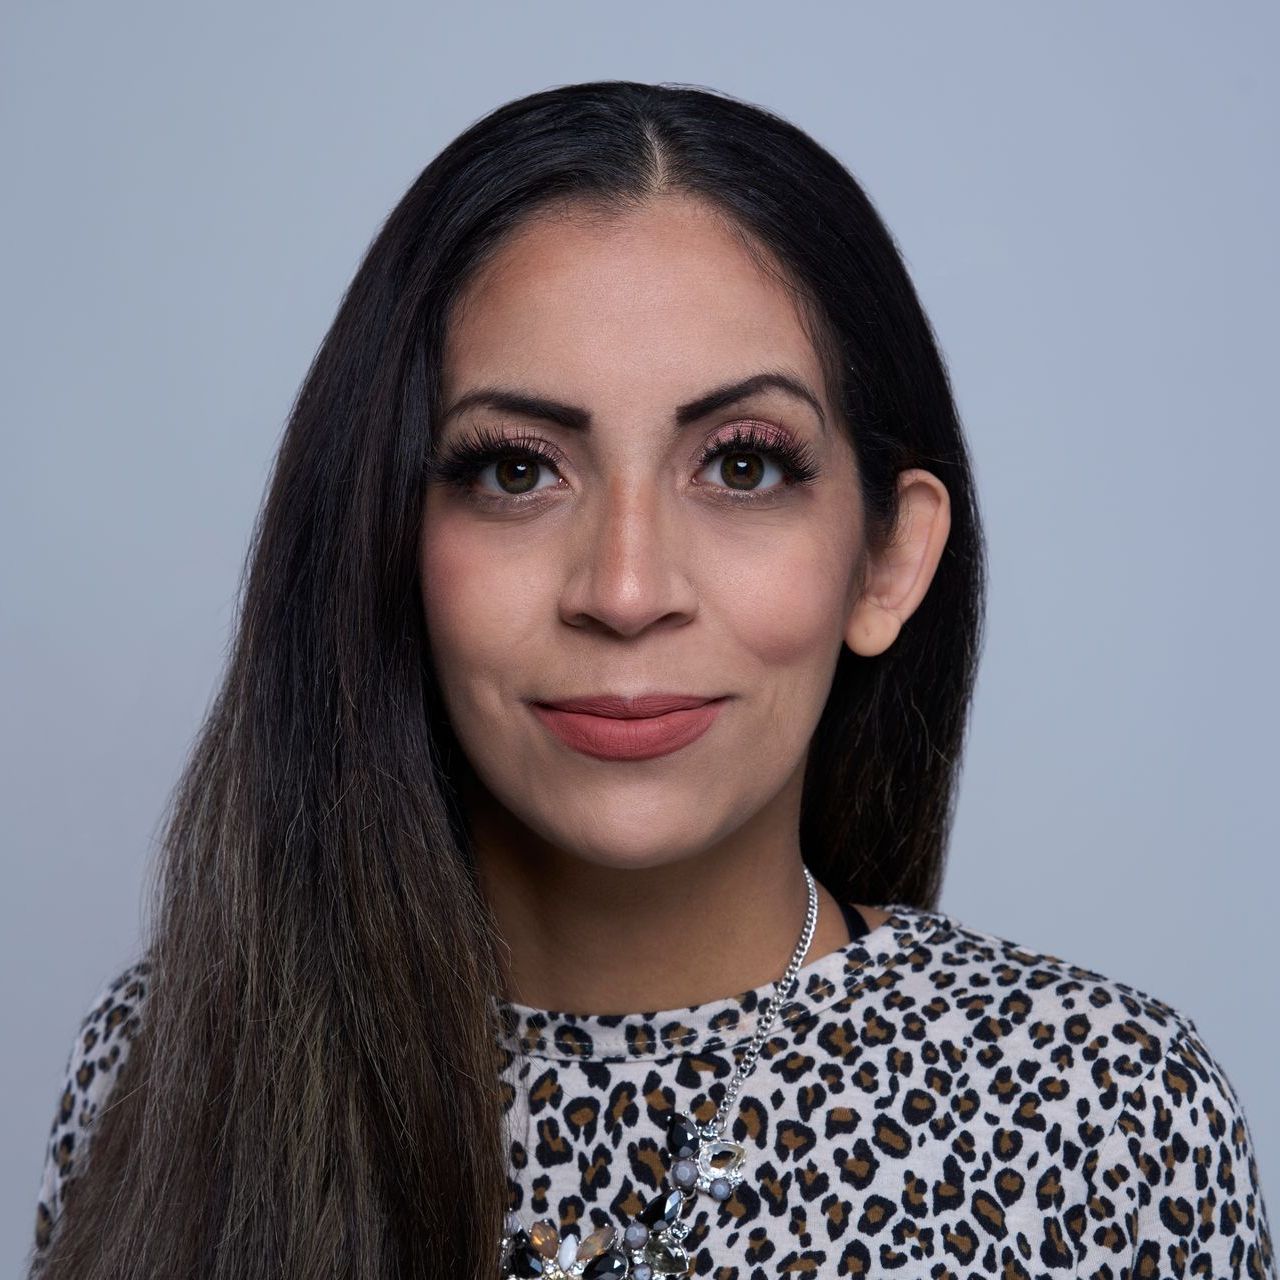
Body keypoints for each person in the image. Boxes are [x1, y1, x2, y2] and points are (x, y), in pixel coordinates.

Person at [27, 79, 1273, 1280]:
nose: (624, 590)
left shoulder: (1100, 1114)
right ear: (386, 540)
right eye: (516, 469)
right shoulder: (165, 1070)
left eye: (741, 466)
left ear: (887, 560)